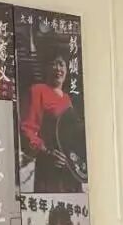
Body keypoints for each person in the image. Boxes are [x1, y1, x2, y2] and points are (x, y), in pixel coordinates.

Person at [20, 49, 83, 192]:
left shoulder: (67, 99)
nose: (58, 68)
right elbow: (27, 129)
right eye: (53, 64)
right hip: (50, 170)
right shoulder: (37, 91)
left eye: (62, 64)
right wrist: (47, 153)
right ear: (45, 68)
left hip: (71, 170)